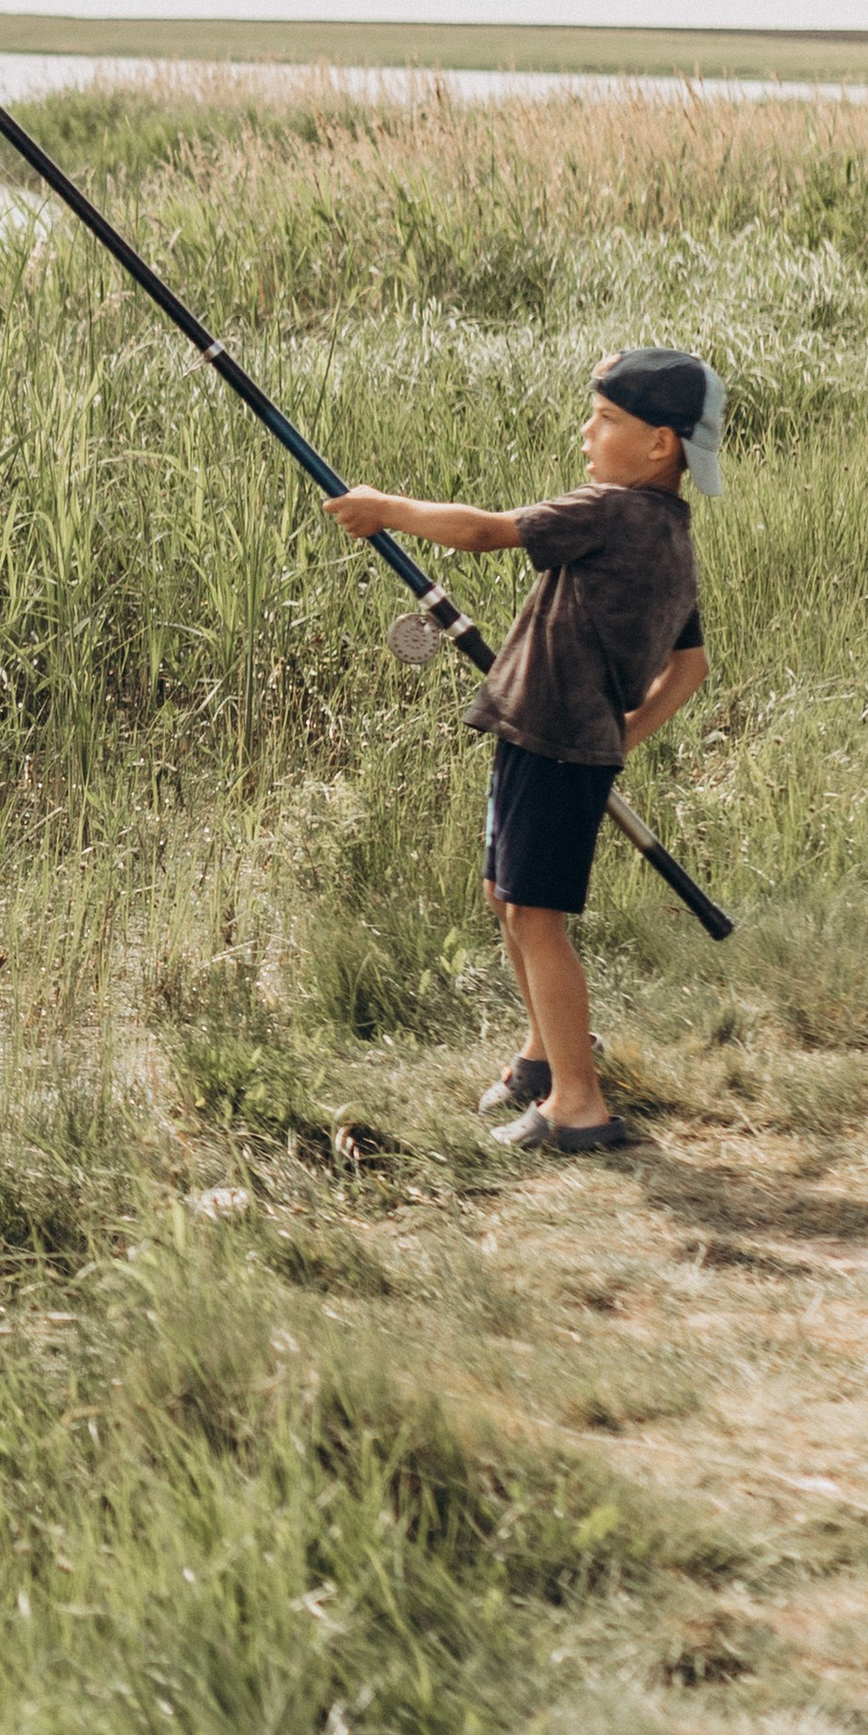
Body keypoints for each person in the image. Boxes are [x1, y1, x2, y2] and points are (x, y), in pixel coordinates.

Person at [324, 348, 722, 1155]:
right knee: (509, 898)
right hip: (550, 737)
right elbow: (690, 668)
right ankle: (544, 1057)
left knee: (536, 917)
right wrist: (622, 733)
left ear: (660, 444)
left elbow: (486, 532)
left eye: (606, 418)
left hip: (554, 743)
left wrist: (384, 508)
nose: (587, 430)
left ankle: (579, 1105)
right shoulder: (671, 535)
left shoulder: (614, 509)